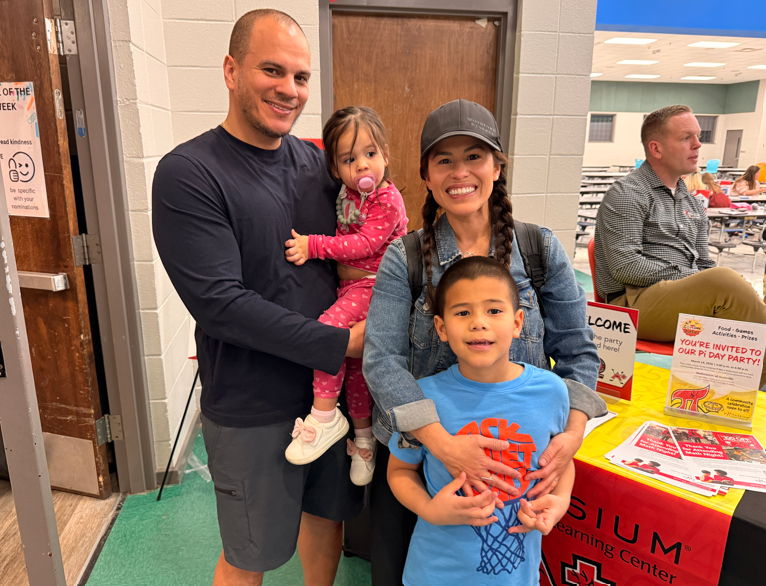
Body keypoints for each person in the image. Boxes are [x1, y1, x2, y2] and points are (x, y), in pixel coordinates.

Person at [152, 10, 364, 586]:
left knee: (326, 523)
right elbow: (220, 304)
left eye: (300, 77)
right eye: (272, 70)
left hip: (331, 397)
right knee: (251, 553)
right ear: (230, 69)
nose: (289, 90)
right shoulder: (189, 173)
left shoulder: (318, 165)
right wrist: (341, 343)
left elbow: (366, 234)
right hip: (253, 403)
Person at [363, 99, 606, 586]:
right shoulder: (405, 257)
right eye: (444, 160)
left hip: (515, 469)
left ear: (498, 166)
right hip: (423, 462)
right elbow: (381, 362)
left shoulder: (539, 249)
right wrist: (445, 446)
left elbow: (580, 353)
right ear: (427, 176)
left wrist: (572, 433)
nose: (461, 172)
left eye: (475, 156)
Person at [387, 256, 574, 585]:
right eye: (462, 312)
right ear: (441, 328)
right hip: (435, 572)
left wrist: (560, 502)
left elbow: (561, 460)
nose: (478, 323)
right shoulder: (422, 397)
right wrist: (430, 511)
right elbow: (400, 471)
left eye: (493, 310)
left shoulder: (552, 392)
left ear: (517, 323)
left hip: (517, 574)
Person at [594, 105, 766, 387]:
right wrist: (699, 280)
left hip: (681, 297)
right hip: (632, 302)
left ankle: (748, 392)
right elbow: (626, 267)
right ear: (657, 149)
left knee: (731, 286)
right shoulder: (627, 193)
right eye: (686, 137)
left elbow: (704, 263)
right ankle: (756, 392)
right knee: (722, 282)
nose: (698, 144)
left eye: (698, 136)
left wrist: (718, 282)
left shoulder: (690, 201)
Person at [283, 107, 408, 486]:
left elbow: (366, 243)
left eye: (370, 154)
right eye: (349, 159)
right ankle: (365, 440)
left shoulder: (387, 199)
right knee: (353, 369)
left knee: (328, 332)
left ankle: (323, 416)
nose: (362, 166)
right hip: (353, 287)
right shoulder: (347, 196)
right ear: (336, 169)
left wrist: (313, 246)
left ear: (386, 154)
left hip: (376, 286)